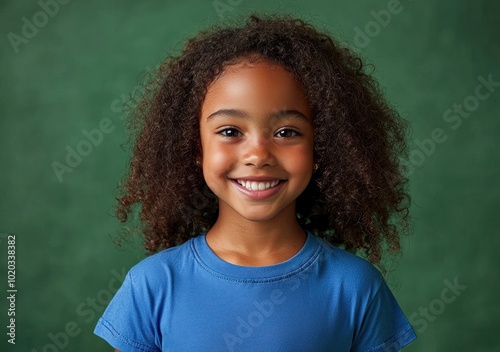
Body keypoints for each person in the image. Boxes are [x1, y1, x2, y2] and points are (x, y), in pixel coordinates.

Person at [94, 13, 417, 352]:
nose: (258, 154)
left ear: (321, 147)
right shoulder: (153, 285)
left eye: (287, 132)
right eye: (230, 131)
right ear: (195, 147)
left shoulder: (355, 287)